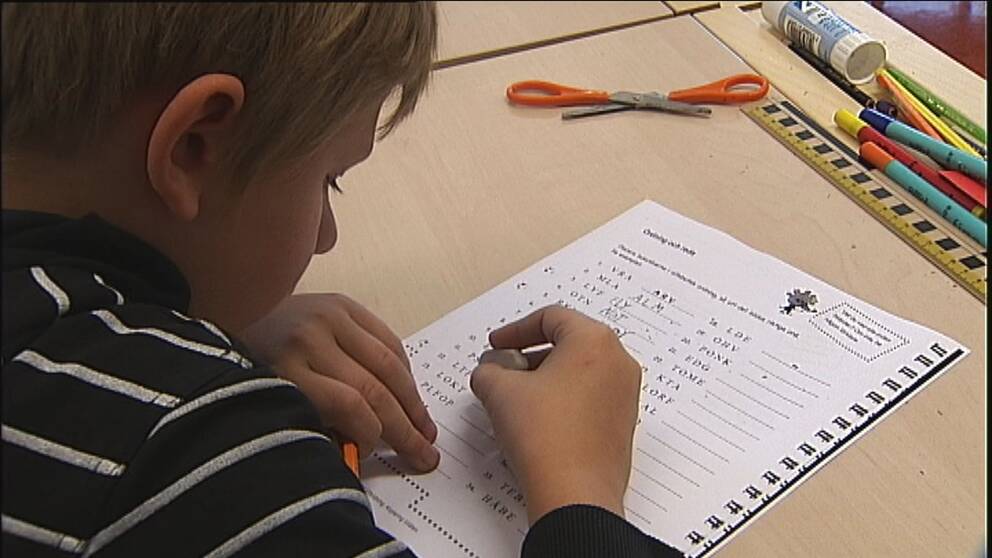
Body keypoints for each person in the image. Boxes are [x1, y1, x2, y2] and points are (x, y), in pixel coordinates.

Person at [1, 3, 680, 557]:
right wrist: (580, 491)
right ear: (192, 147)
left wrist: (206, 314)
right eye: (328, 181)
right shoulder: (194, 454)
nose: (327, 236)